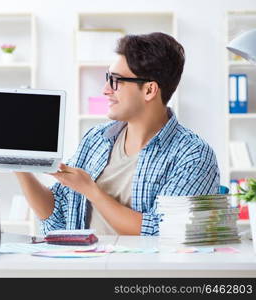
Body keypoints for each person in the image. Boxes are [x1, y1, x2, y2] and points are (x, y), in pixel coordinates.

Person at [15, 32, 220, 236]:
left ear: (149, 90)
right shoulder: (96, 139)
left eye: (116, 81)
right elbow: (58, 217)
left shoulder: (194, 156)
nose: (105, 90)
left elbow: (163, 233)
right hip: (84, 266)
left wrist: (91, 190)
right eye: (108, 79)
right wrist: (18, 164)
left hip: (142, 269)